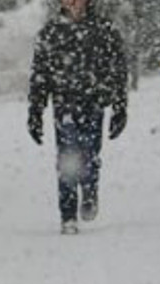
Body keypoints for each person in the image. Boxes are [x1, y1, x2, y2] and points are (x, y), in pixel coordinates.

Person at [27, 0, 129, 234]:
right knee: (67, 157)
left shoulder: (104, 30)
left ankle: (90, 190)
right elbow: (40, 76)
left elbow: (118, 70)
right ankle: (68, 214)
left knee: (90, 154)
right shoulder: (50, 33)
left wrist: (120, 107)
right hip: (65, 105)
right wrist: (35, 112)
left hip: (94, 103)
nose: (73, 2)